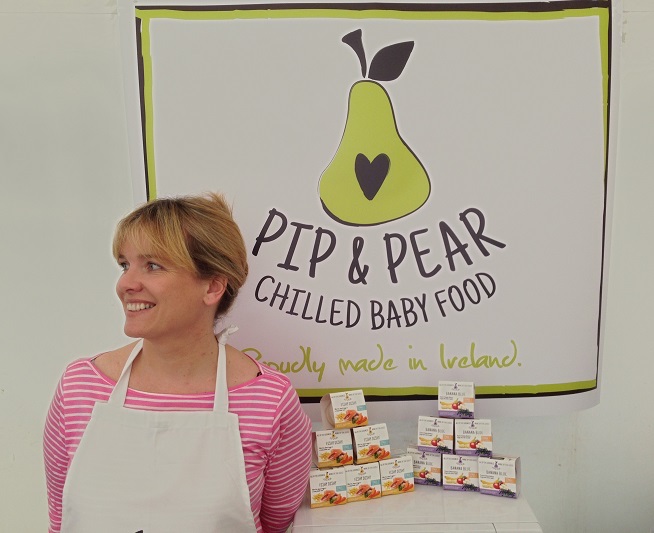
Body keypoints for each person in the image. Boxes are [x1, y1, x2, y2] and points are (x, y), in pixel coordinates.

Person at [43, 192, 313, 533]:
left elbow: (276, 524)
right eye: (125, 265)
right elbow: (60, 520)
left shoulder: (270, 401)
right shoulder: (80, 388)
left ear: (212, 287)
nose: (126, 284)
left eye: (153, 265)